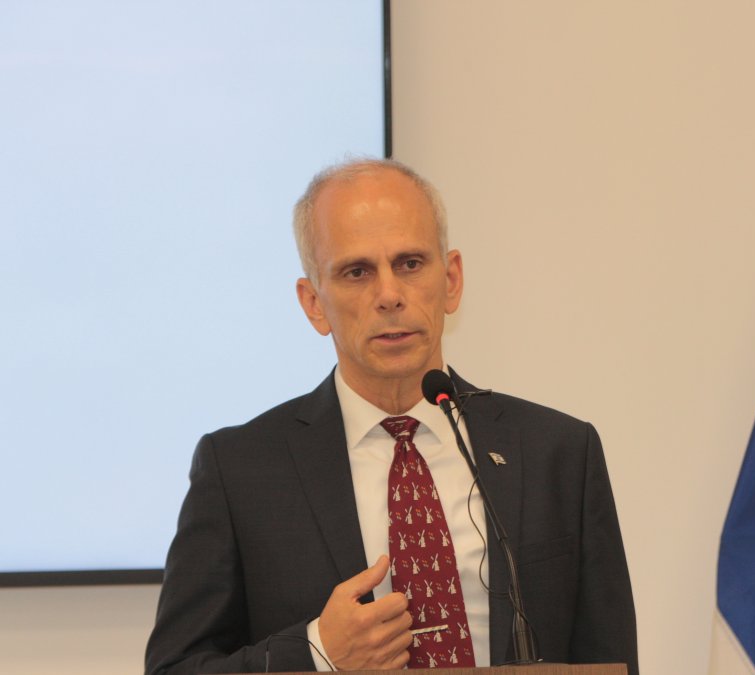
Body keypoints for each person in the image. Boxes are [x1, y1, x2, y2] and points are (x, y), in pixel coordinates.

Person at [145, 158, 638, 673]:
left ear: (450, 280)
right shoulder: (239, 471)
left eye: (409, 264)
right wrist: (318, 652)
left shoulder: (557, 453)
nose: (388, 295)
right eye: (356, 272)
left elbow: (610, 659)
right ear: (313, 303)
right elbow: (175, 668)